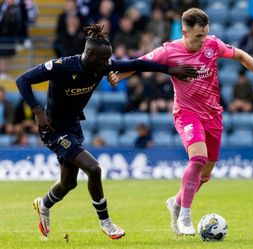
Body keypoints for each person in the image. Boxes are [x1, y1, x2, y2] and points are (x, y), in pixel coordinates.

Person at [15, 23, 197, 240]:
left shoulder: (101, 65)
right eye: (103, 59)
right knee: (94, 168)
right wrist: (37, 111)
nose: (107, 64)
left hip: (73, 126)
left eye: (108, 60)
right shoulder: (62, 66)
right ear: (89, 54)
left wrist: (170, 70)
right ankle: (106, 222)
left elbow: (137, 63)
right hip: (53, 129)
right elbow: (22, 80)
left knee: (69, 183)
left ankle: (43, 204)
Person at [115, 8, 253, 236]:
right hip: (186, 113)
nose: (203, 40)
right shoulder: (169, 51)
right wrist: (119, 74)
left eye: (205, 34)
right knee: (198, 157)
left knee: (207, 170)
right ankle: (184, 215)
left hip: (213, 114)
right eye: (197, 36)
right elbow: (140, 63)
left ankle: (175, 202)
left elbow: (241, 55)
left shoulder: (212, 45)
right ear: (184, 31)